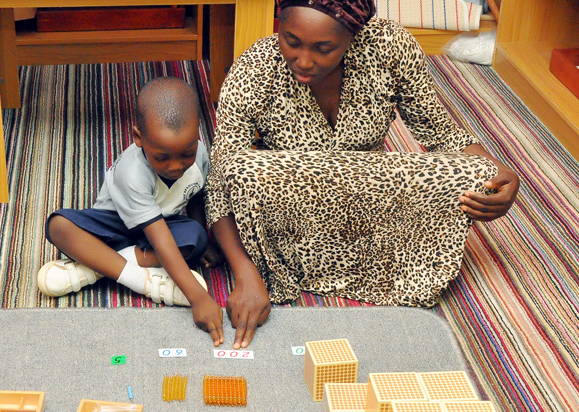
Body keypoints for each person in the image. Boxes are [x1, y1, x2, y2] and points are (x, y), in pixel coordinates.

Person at [206, 0, 520, 349]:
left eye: (324, 49)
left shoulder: (390, 46)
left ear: (354, 37)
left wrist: (498, 174)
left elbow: (441, 133)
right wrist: (245, 274)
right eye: (291, 41)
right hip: (289, 216)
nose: (304, 60)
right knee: (241, 170)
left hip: (367, 202)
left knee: (470, 172)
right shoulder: (255, 67)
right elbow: (219, 183)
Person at [39, 76, 225, 345]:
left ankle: (96, 266)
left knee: (195, 237)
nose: (176, 166)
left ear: (197, 133)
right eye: (162, 157)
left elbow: (195, 193)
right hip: (115, 226)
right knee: (59, 225)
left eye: (186, 154)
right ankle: (144, 282)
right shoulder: (133, 172)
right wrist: (198, 297)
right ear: (138, 137)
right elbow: (160, 240)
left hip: (162, 225)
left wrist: (204, 239)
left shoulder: (200, 154)